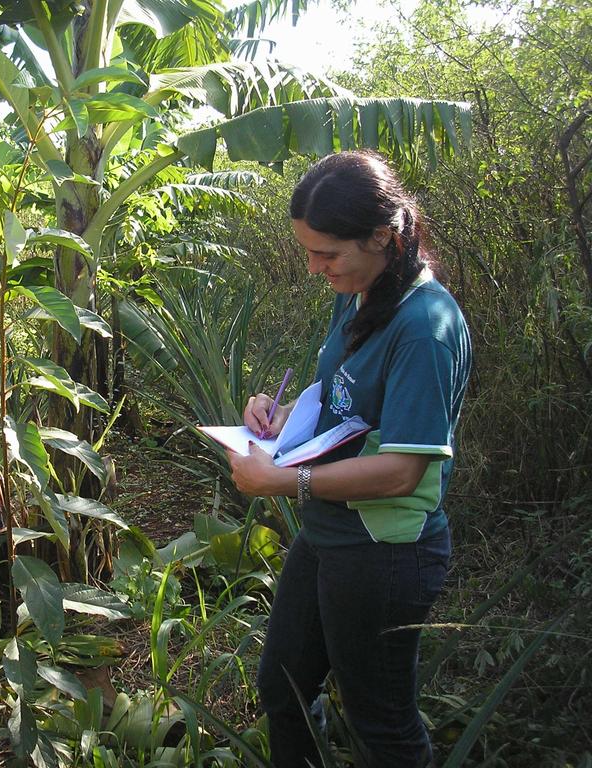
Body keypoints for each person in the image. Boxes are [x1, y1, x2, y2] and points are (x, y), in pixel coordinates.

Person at [228, 150, 472, 768]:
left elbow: (401, 470)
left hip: (385, 552)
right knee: (282, 686)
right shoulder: (360, 293)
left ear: (383, 238)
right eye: (308, 252)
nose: (316, 268)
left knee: (381, 725)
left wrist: (287, 479)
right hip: (331, 531)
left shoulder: (425, 326)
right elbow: (345, 404)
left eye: (327, 254)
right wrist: (282, 419)